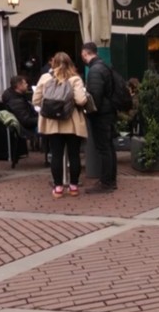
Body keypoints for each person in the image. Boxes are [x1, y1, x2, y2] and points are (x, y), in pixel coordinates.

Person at [32, 52, 89, 199]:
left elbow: (35, 99)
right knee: (74, 155)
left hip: (52, 122)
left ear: (53, 63)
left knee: (56, 155)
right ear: (70, 63)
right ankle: (74, 187)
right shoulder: (75, 79)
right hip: (72, 122)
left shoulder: (45, 78)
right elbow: (81, 100)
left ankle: (58, 188)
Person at [80, 42, 118, 193]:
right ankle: (110, 179)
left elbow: (95, 96)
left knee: (104, 148)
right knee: (108, 147)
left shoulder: (95, 70)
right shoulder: (105, 66)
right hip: (108, 112)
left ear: (85, 54)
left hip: (101, 114)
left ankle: (106, 182)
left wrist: (87, 110)